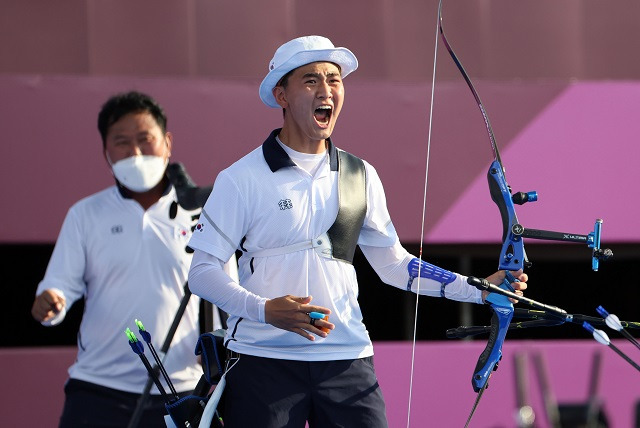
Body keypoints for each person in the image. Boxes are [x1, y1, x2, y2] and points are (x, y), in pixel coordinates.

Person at [187, 36, 528, 427]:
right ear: (281, 95)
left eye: (334, 79)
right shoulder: (240, 178)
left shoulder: (361, 175)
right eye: (311, 80)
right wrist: (265, 310)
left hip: (347, 362)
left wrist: (479, 287)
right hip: (262, 362)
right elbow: (202, 272)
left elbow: (395, 265)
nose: (326, 90)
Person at [31, 91, 218, 427]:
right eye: (121, 142)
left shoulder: (202, 212)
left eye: (145, 140)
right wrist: (51, 300)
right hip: (96, 389)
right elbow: (59, 285)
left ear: (167, 142)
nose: (135, 153)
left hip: (185, 390)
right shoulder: (85, 214)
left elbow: (223, 292)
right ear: (106, 153)